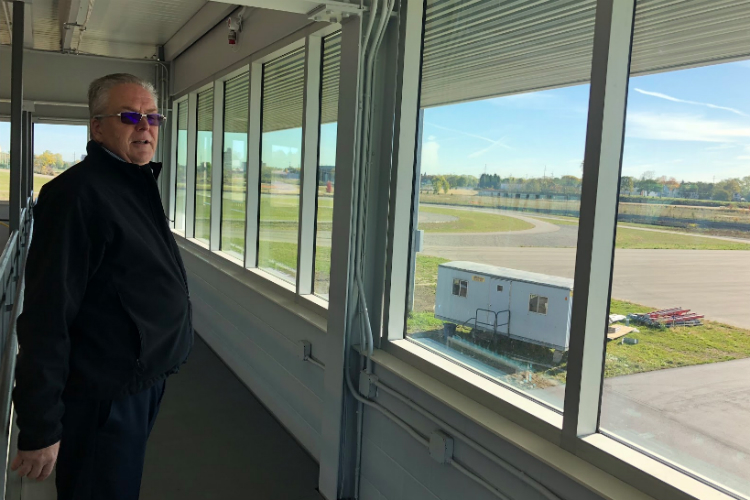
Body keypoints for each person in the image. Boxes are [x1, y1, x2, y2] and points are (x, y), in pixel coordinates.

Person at [11, 73, 194, 499]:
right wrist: (40, 426)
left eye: (153, 117)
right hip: (103, 397)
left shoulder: (134, 183)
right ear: (96, 126)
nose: (145, 126)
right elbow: (46, 315)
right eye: (130, 115)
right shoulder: (76, 196)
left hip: (139, 381)